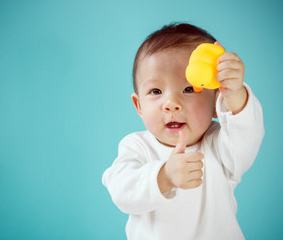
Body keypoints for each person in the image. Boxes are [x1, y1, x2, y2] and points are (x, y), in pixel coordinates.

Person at [102, 23, 264, 240]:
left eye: (189, 89)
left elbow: (246, 135)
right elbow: (122, 191)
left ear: (216, 103)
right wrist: (165, 176)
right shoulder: (136, 147)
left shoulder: (220, 145)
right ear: (138, 105)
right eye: (156, 91)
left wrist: (234, 93)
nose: (171, 103)